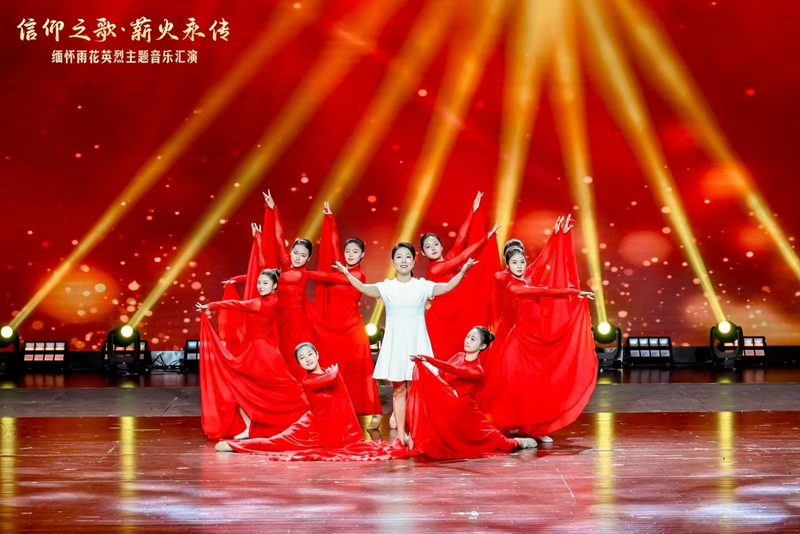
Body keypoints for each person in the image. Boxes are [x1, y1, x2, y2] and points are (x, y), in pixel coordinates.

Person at [333, 242, 476, 447]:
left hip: (417, 343)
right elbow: (364, 288)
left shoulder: (422, 286)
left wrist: (462, 272)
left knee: (417, 392)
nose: (403, 260)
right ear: (393, 261)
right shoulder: (387, 287)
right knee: (399, 391)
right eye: (399, 257)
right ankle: (401, 436)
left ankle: (416, 435)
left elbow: (445, 287)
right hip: (396, 345)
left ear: (413, 261)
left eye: (407, 257)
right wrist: (347, 274)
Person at [479, 218, 597, 443]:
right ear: (507, 264)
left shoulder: (527, 277)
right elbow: (544, 290)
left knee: (536, 385)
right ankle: (515, 424)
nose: (520, 265)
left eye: (522, 261)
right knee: (516, 384)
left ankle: (533, 428)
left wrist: (557, 234)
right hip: (518, 340)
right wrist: (571, 292)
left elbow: (544, 258)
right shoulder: (511, 284)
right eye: (514, 262)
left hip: (535, 339)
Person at [215, 343, 400, 461]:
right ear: (299, 364)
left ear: (317, 354)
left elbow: (342, 402)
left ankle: (235, 445)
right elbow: (328, 379)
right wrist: (334, 373)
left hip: (323, 429)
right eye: (302, 358)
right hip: (308, 430)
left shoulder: (329, 373)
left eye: (310, 354)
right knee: (274, 443)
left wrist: (335, 374)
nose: (307, 359)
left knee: (275, 443)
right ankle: (233, 446)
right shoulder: (308, 381)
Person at [195, 269, 308, 440]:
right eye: (259, 283)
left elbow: (234, 304)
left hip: (259, 353)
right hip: (268, 350)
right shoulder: (276, 298)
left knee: (242, 386)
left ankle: (295, 420)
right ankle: (258, 426)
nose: (260, 286)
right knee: (261, 388)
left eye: (265, 283)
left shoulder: (258, 303)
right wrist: (237, 278)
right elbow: (268, 278)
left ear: (274, 285)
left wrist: (210, 306)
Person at [406, 326, 537, 459]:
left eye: (473, 339)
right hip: (449, 409)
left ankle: (521, 442)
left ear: (482, 346)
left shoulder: (477, 370)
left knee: (505, 445)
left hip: (467, 416)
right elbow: (441, 375)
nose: (467, 341)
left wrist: (428, 359)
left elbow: (455, 371)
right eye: (468, 336)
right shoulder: (458, 356)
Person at [305, 203, 382, 423]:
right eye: (348, 251)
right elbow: (333, 246)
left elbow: (330, 277)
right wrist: (330, 221)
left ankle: (374, 411)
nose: (350, 255)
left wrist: (304, 273)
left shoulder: (358, 275)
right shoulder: (341, 268)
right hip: (333, 328)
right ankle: (338, 408)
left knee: (359, 371)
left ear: (362, 254)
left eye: (355, 252)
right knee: (334, 369)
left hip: (351, 330)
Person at [421, 191, 502, 360]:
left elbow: (461, 239)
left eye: (435, 244)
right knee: (442, 358)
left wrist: (473, 211)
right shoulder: (434, 269)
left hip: (456, 315)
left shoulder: (447, 260)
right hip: (440, 321)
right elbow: (462, 257)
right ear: (423, 252)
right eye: (428, 247)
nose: (433, 248)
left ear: (441, 246)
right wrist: (485, 238)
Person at [259, 190, 320, 379]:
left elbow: (274, 279)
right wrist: (273, 210)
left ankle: (301, 390)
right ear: (292, 251)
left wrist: (259, 276)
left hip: (295, 322)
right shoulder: (287, 265)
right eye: (296, 253)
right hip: (280, 318)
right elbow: (279, 239)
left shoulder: (300, 274)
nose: (298, 257)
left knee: (294, 359)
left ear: (308, 259)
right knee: (282, 357)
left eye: (303, 255)